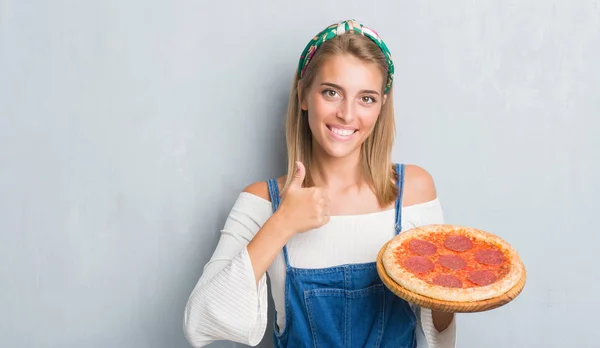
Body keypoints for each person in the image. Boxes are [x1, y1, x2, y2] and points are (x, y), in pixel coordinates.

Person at [183, 19, 457, 348]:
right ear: (303, 95)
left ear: (382, 106)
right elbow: (201, 322)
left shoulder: (413, 191)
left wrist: (450, 292)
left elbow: (439, 334)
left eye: (366, 98)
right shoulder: (262, 202)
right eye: (331, 92)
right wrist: (282, 223)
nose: (346, 114)